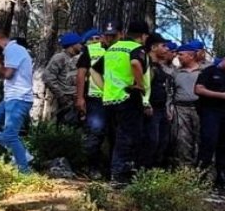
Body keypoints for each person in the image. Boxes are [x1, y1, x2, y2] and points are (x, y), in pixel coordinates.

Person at [0, 27, 35, 173]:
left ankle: (25, 172)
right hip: (10, 98)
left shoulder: (13, 49)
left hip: (19, 98)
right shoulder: (11, 51)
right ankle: (22, 153)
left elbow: (8, 74)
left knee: (10, 135)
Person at [101, 22, 150, 185]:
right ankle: (119, 174)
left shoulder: (112, 48)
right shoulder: (136, 48)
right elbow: (135, 63)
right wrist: (140, 84)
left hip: (109, 98)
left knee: (115, 136)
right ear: (143, 36)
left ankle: (113, 172)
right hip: (127, 97)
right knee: (127, 137)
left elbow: (97, 70)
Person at [196, 50, 225, 191]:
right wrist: (220, 95)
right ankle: (201, 177)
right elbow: (198, 89)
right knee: (208, 143)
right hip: (210, 112)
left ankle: (222, 178)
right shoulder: (209, 71)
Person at [76, 25, 114, 177]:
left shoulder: (119, 51)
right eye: (105, 35)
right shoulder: (91, 51)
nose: (107, 38)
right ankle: (92, 167)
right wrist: (79, 98)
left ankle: (112, 169)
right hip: (96, 98)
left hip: (116, 98)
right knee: (95, 132)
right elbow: (80, 74)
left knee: (115, 134)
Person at [170, 40, 205, 166]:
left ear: (191, 55)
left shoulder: (204, 71)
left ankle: (202, 171)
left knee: (202, 138)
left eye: (181, 54)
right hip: (181, 109)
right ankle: (185, 171)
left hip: (200, 108)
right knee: (182, 140)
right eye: (178, 54)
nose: (178, 57)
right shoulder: (175, 73)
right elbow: (170, 91)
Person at [143, 35, 175, 168]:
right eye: (163, 46)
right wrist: (146, 104)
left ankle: (155, 171)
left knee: (163, 142)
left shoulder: (161, 68)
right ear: (153, 47)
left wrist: (168, 109)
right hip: (151, 110)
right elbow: (143, 86)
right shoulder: (146, 65)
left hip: (162, 109)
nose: (166, 49)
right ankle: (144, 171)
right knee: (151, 141)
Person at [45, 32, 82, 125]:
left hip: (77, 98)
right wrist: (61, 95)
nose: (81, 46)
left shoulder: (79, 58)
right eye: (79, 43)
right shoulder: (59, 58)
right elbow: (48, 77)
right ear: (72, 44)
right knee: (62, 124)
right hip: (64, 99)